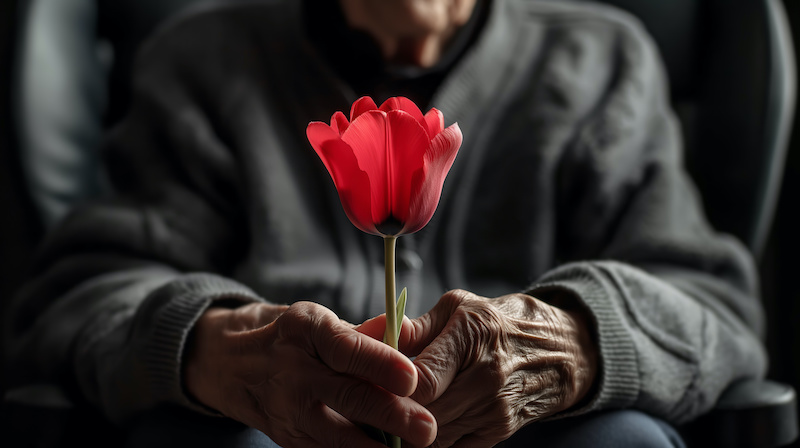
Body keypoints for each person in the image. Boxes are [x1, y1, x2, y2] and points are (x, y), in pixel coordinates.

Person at [5, 0, 767, 447]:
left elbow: (711, 304)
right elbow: (80, 296)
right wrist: (208, 345)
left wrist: (572, 338)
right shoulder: (202, 59)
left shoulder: (603, 58)